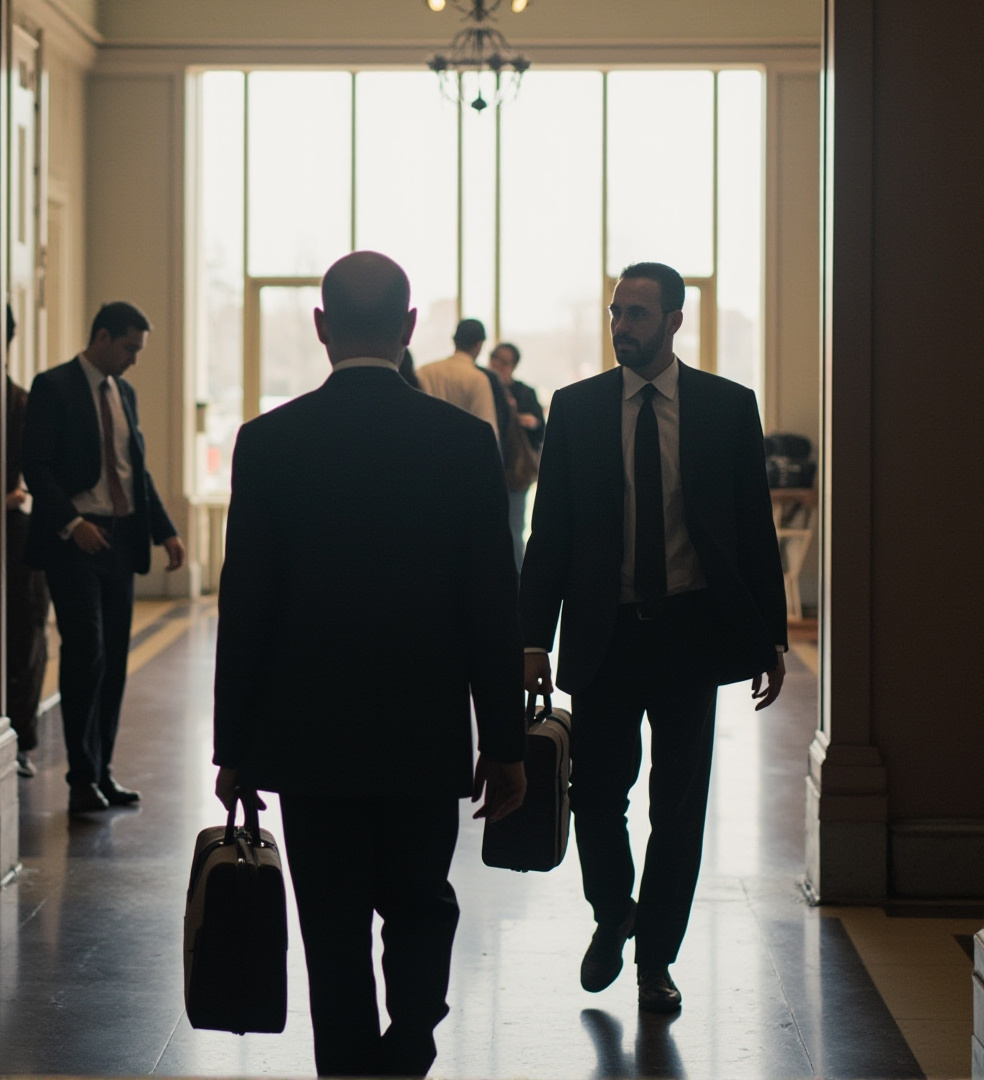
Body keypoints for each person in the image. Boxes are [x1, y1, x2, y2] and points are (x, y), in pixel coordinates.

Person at [214, 252, 526, 1078]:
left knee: (333, 929)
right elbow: (491, 604)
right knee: (422, 904)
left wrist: (235, 748)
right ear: (410, 330)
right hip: (423, 733)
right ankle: (414, 1034)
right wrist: (503, 741)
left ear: (320, 328)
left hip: (307, 740)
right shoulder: (463, 445)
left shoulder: (269, 442)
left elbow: (245, 608)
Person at [519, 262, 787, 1014]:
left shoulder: (726, 408)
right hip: (606, 635)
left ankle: (656, 961)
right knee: (597, 796)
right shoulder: (575, 409)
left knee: (679, 807)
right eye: (615, 313)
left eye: (637, 314)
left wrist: (770, 636)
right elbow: (553, 533)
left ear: (674, 319)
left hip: (689, 636)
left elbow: (751, 528)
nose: (622, 328)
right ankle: (614, 912)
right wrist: (532, 637)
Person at [21, 301, 187, 814]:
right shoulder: (54, 387)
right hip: (74, 546)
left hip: (121, 541)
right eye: (130, 348)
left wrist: (166, 532)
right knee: (85, 655)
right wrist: (73, 525)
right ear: (102, 337)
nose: (135, 359)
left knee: (114, 659)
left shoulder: (125, 393)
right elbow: (35, 466)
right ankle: (80, 777)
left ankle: (103, 772)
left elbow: (136, 473)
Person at [5, 374, 52, 777]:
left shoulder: (18, 400)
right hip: (15, 528)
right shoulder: (18, 400)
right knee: (28, 636)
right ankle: (19, 738)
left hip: (14, 527)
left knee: (26, 636)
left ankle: (18, 737)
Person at [486, 342, 544, 568]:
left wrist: (524, 418)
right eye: (495, 358)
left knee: (514, 528)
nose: (498, 365)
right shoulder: (483, 385)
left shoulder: (523, 392)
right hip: (491, 469)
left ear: (514, 366)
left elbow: (540, 427)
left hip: (515, 470)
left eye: (505, 362)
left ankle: (517, 583)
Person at [414, 318, 498, 434]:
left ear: (454, 340)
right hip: (464, 447)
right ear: (478, 345)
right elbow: (487, 426)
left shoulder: (424, 371)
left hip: (428, 442)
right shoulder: (478, 379)